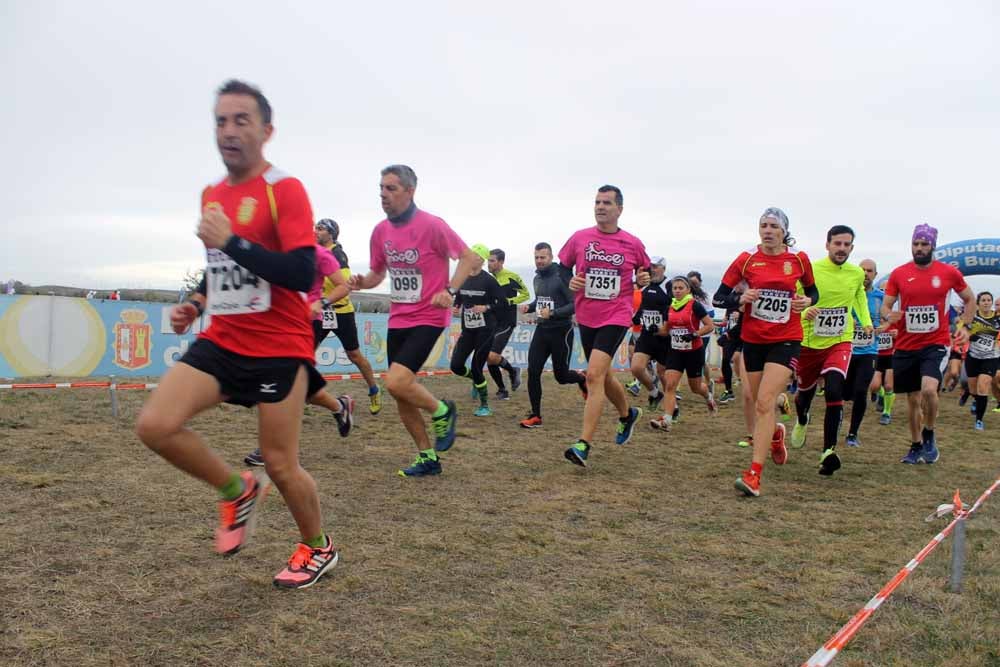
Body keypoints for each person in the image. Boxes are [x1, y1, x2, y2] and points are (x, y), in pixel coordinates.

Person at [135, 80, 339, 589]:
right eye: (220, 121)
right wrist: (196, 303)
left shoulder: (284, 189)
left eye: (240, 120)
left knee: (281, 463)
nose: (228, 130)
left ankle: (318, 548)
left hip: (279, 345)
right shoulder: (213, 193)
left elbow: (298, 271)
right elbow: (221, 265)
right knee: (155, 425)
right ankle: (237, 489)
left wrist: (232, 239)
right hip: (224, 338)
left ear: (266, 131)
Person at [350, 164, 479, 477]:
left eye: (391, 188)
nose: (383, 194)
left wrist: (449, 290)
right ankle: (427, 457)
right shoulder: (380, 231)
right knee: (400, 392)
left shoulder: (432, 225)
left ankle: (443, 410)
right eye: (381, 188)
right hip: (398, 319)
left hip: (429, 316)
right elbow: (378, 273)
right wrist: (362, 282)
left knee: (395, 381)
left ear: (410, 191)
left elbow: (470, 258)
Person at [713, 207, 817, 497]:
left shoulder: (798, 259)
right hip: (754, 339)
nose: (768, 230)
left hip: (787, 338)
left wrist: (806, 301)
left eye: (773, 226)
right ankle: (774, 435)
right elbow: (720, 297)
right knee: (757, 400)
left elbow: (813, 292)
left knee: (764, 402)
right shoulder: (746, 260)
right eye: (763, 225)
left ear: (784, 231)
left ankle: (754, 474)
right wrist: (739, 297)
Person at [243, 237, 356, 467]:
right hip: (276, 322)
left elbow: (344, 286)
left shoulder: (320, 254)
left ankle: (269, 448)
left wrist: (321, 303)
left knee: (281, 380)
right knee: (293, 382)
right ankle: (339, 406)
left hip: (305, 324)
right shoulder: (275, 249)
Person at [559, 185, 650, 467]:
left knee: (594, 375)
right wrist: (569, 282)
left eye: (607, 203)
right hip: (587, 315)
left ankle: (583, 444)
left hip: (617, 313)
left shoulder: (632, 243)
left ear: (619, 209)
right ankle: (627, 415)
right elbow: (562, 268)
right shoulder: (580, 238)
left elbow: (645, 271)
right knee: (604, 375)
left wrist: (645, 279)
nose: (600, 207)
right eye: (597, 202)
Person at [881, 224, 975, 464]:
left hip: (936, 343)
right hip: (905, 344)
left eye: (924, 244)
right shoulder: (899, 273)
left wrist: (964, 326)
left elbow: (969, 299)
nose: (919, 248)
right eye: (916, 244)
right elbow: (886, 305)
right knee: (912, 401)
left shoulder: (948, 272)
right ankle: (915, 445)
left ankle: (929, 432)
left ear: (933, 245)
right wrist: (888, 314)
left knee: (929, 390)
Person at [787, 226, 871, 476]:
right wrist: (804, 311)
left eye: (847, 245)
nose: (842, 248)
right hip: (809, 342)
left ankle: (828, 452)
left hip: (840, 340)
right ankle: (802, 418)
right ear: (827, 245)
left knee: (835, 389)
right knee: (804, 395)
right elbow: (794, 299)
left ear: (852, 248)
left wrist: (865, 321)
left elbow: (859, 298)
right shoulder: (811, 270)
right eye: (837, 244)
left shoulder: (856, 273)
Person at [314, 218, 384, 414]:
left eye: (320, 229)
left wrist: (325, 299)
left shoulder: (337, 254)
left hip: (341, 312)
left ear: (331, 233)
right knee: (305, 354)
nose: (316, 231)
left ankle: (374, 389)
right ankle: (302, 393)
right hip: (321, 313)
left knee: (354, 354)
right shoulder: (314, 252)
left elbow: (345, 286)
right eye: (315, 227)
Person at [518, 242, 587, 428]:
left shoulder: (562, 276)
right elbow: (540, 301)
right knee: (533, 371)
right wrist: (529, 307)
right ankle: (536, 415)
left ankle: (582, 378)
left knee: (561, 376)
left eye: (543, 257)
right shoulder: (537, 279)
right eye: (536, 257)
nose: (539, 261)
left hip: (562, 331)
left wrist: (554, 313)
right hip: (542, 331)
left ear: (551, 257)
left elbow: (575, 304)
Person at [650, 275, 717, 431]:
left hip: (694, 351)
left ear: (688, 290)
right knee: (670, 385)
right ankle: (666, 420)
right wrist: (656, 330)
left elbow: (710, 325)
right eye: (675, 288)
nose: (678, 291)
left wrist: (694, 334)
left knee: (695, 388)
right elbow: (666, 331)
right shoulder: (670, 308)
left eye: (681, 288)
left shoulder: (695, 306)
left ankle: (708, 397)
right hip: (676, 351)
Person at [450, 244, 504, 416]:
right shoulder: (464, 276)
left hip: (485, 331)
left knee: (476, 367)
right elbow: (459, 295)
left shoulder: (488, 280)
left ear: (480, 259)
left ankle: (485, 405)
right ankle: (475, 380)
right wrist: (456, 306)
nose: (469, 258)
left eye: (473, 255)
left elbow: (501, 302)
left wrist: (486, 307)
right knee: (456, 366)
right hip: (468, 330)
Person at [843, 259, 883, 447]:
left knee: (861, 391)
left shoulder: (880, 297)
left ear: (875, 274)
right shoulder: (847, 293)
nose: (866, 273)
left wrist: (885, 327)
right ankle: (836, 421)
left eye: (870, 271)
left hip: (869, 351)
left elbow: (888, 318)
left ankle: (853, 433)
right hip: (846, 349)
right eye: (862, 270)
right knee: (842, 393)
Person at [485, 249, 529, 399]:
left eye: (492, 261)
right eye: (488, 261)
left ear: (501, 262)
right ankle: (502, 390)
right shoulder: (488, 279)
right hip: (491, 323)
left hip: (506, 323)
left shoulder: (511, 277)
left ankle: (512, 371)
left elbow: (526, 294)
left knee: (491, 355)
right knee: (487, 356)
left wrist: (510, 301)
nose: (488, 264)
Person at [630, 256, 671, 411]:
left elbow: (675, 308)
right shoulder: (645, 286)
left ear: (663, 268)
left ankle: (672, 408)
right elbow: (645, 307)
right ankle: (654, 393)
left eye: (655, 266)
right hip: (647, 334)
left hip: (665, 337)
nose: (652, 269)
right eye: (650, 266)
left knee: (663, 374)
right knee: (636, 368)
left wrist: (665, 327)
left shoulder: (669, 285)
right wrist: (636, 318)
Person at [966, 291, 1000, 430]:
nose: (986, 302)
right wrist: (969, 335)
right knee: (974, 389)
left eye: (988, 300)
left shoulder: (998, 319)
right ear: (978, 303)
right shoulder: (972, 318)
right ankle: (975, 399)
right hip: (973, 357)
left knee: (983, 386)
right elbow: (961, 332)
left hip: (991, 358)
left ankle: (979, 420)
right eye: (983, 300)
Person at [686, 270, 717, 391]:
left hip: (703, 332)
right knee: (682, 357)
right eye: (690, 283)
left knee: (701, 360)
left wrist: (698, 312)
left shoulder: (704, 296)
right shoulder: (685, 295)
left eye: (695, 283)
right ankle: (677, 388)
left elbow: (712, 313)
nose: (693, 285)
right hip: (687, 332)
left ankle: (709, 382)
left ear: (700, 282)